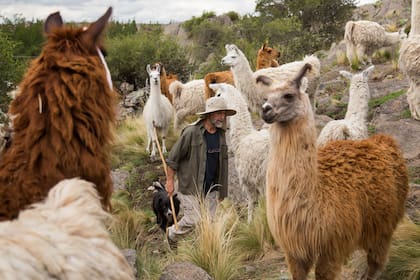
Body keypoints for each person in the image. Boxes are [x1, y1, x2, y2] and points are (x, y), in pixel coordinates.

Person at [165, 96, 236, 244]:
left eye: (223, 114)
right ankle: (171, 234)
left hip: (211, 188)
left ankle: (201, 251)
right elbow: (173, 159)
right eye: (218, 113)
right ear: (208, 114)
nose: (222, 117)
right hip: (190, 187)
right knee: (194, 220)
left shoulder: (221, 135)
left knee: (208, 223)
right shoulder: (191, 132)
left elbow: (222, 164)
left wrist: (221, 191)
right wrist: (170, 181)